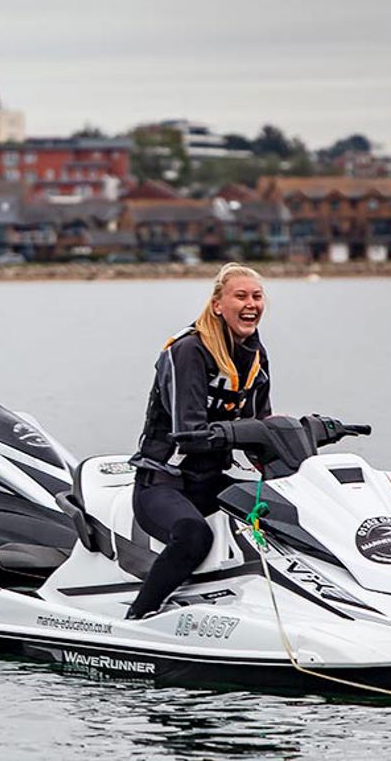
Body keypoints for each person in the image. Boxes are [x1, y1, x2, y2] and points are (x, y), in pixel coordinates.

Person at [126, 262, 270, 619]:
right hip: (162, 483)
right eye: (241, 296)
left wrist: (302, 439)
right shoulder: (188, 351)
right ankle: (138, 615)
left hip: (209, 483)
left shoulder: (254, 356)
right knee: (195, 536)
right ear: (218, 304)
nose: (251, 303)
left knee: (282, 515)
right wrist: (244, 432)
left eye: (257, 296)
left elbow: (261, 427)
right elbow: (188, 433)